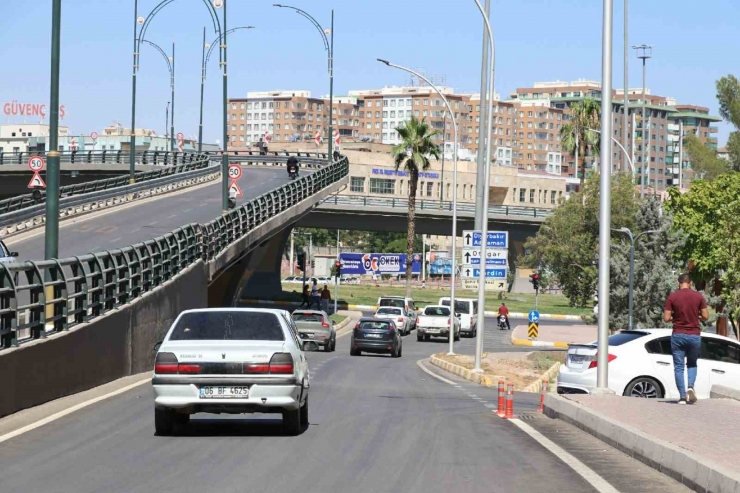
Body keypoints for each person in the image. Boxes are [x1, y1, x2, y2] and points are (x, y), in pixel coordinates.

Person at [663, 273, 709, 404]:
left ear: (679, 283)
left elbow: (666, 318)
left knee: (678, 367)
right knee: (692, 363)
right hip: (694, 335)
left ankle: (682, 397)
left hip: (678, 335)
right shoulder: (698, 296)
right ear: (691, 283)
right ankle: (690, 387)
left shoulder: (673, 297)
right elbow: (706, 316)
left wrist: (675, 318)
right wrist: (697, 317)